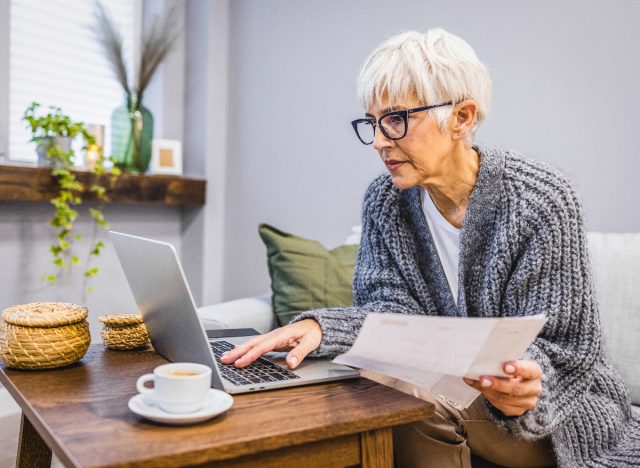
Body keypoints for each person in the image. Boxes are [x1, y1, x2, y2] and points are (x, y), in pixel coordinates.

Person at [220, 28, 640, 466]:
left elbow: (563, 347)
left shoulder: (540, 200)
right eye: (373, 122)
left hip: (559, 416)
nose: (381, 140)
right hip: (446, 390)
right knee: (369, 381)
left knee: (403, 395)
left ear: (461, 118)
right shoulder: (386, 200)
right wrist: (324, 329)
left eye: (397, 119)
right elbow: (392, 315)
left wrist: (522, 387)